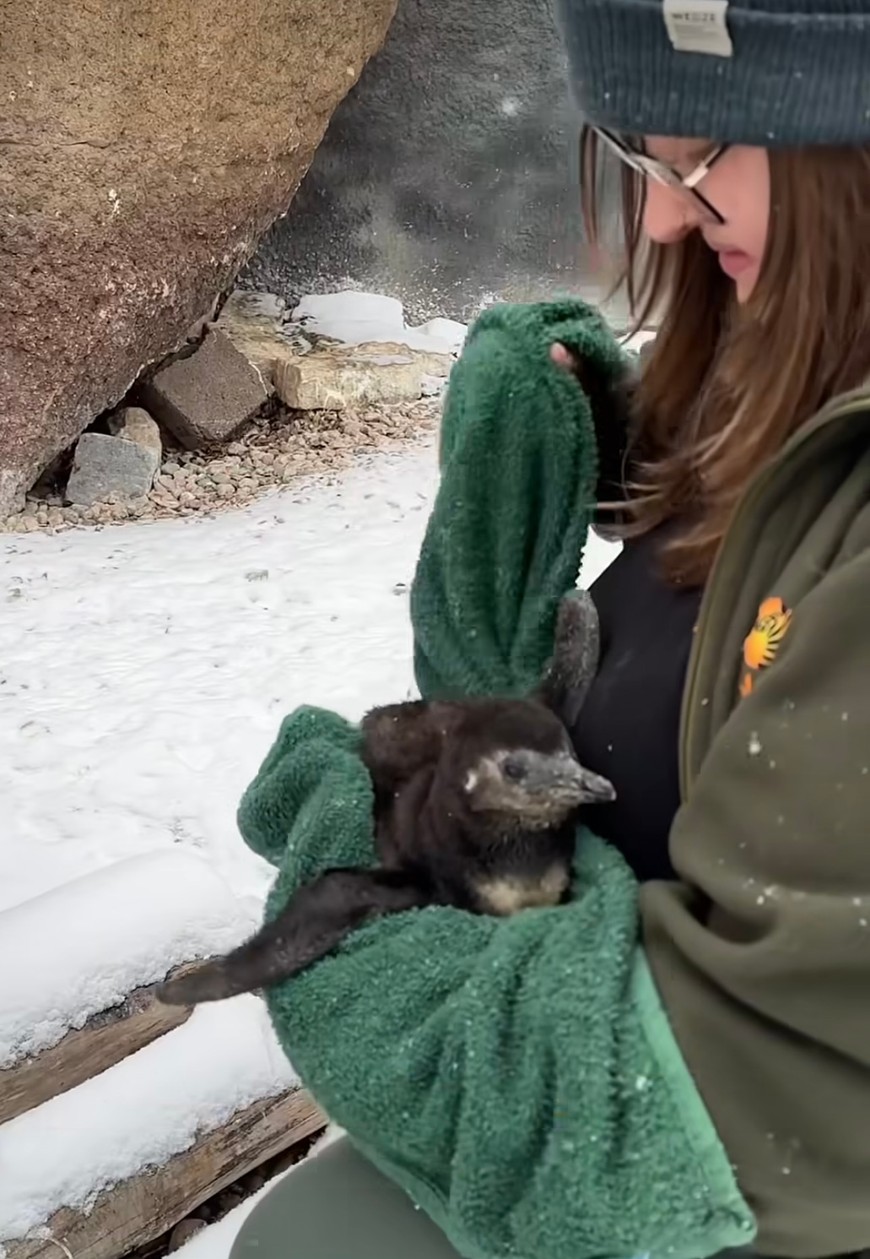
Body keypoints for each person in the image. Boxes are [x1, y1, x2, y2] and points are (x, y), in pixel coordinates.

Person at [230, 3, 870, 1257]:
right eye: (642, 159)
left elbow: (760, 1078)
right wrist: (633, 462)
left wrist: (350, 934)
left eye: (705, 159)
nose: (666, 219)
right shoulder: (815, 355)